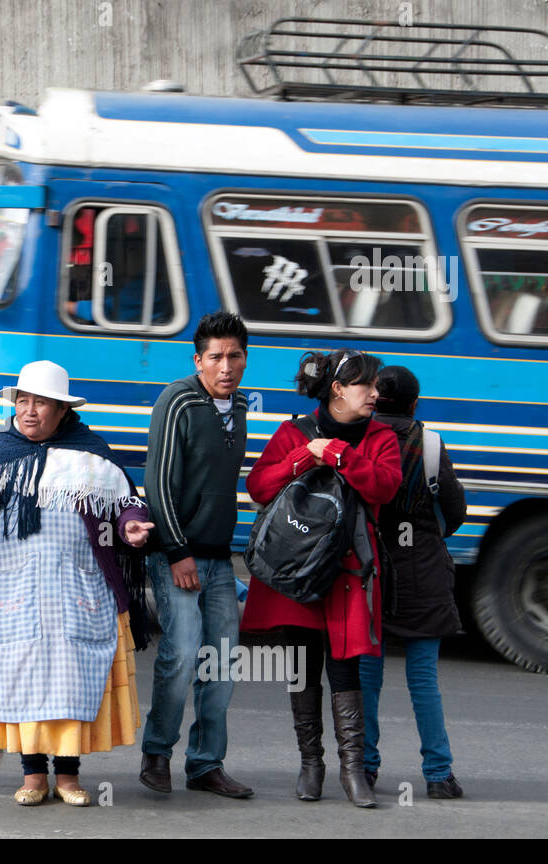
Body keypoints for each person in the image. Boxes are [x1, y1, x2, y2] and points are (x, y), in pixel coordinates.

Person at [0, 360, 153, 807]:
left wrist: (132, 525)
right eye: (23, 401)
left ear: (63, 410)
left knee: (71, 682)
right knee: (21, 681)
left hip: (75, 594)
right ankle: (32, 775)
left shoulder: (92, 455)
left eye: (41, 403)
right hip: (7, 594)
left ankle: (69, 776)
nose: (29, 411)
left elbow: (126, 500)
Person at [242, 348, 401, 808]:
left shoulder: (382, 437)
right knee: (302, 665)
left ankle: (353, 771)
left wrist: (337, 454)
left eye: (376, 386)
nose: (375, 393)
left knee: (346, 664)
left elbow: (384, 487)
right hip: (296, 564)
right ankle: (311, 764)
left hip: (348, 569)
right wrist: (303, 459)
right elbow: (258, 487)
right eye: (365, 386)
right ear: (337, 389)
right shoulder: (294, 431)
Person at [139, 312, 253, 799]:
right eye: (216, 357)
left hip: (220, 559)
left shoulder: (241, 405)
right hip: (176, 555)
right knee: (182, 654)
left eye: (235, 356)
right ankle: (157, 752)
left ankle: (206, 763)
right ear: (198, 360)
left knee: (222, 664)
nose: (226, 366)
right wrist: (179, 552)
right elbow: (157, 482)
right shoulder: (178, 399)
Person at [362, 365, 467, 799]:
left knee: (367, 675)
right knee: (423, 678)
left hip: (369, 571)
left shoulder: (360, 440)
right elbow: (455, 509)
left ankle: (364, 766)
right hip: (422, 572)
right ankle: (438, 775)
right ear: (414, 403)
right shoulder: (429, 444)